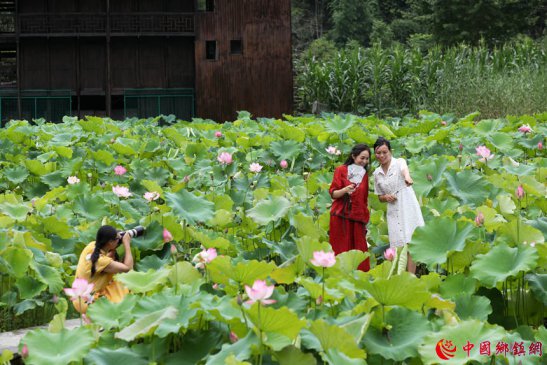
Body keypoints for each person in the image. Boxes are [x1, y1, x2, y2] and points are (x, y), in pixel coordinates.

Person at [372, 137, 424, 274]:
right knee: (397, 243)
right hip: (392, 208)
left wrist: (408, 178)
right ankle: (399, 275)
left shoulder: (399, 162)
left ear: (390, 151)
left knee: (410, 241)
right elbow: (379, 197)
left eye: (384, 152)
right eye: (378, 153)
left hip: (406, 204)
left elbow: (404, 171)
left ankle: (411, 275)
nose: (382, 156)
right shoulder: (376, 174)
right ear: (375, 154)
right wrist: (386, 197)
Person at [328, 144, 371, 271]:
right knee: (340, 252)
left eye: (367, 159)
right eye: (362, 158)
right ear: (353, 156)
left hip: (358, 219)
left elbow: (364, 199)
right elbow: (333, 193)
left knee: (359, 254)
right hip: (341, 217)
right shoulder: (341, 170)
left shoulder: (364, 175)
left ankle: (359, 284)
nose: (364, 161)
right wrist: (345, 190)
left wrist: (365, 220)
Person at [72, 225, 133, 313]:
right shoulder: (102, 261)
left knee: (111, 275)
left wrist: (114, 243)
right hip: (89, 302)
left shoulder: (91, 246)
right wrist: (126, 243)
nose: (119, 240)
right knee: (118, 282)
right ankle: (120, 311)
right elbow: (128, 268)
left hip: (78, 298)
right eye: (117, 239)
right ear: (110, 242)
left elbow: (103, 258)